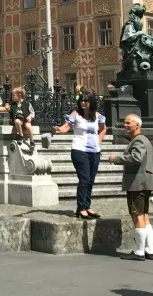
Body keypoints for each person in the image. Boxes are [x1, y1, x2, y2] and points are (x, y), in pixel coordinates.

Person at [53, 88, 107, 219]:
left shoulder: (98, 116)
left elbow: (103, 129)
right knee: (84, 179)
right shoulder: (76, 114)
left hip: (94, 151)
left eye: (86, 100)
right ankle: (81, 207)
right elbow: (67, 127)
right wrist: (59, 129)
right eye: (81, 100)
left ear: (91, 102)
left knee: (91, 180)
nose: (83, 103)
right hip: (79, 150)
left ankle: (87, 206)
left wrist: (98, 142)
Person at [107, 114, 153, 261]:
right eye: (125, 123)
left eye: (128, 123)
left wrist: (116, 159)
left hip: (137, 182)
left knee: (137, 215)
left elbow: (136, 158)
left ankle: (139, 252)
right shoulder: (145, 140)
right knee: (145, 216)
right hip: (145, 182)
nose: (125, 125)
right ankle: (150, 249)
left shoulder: (139, 140)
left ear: (137, 126)